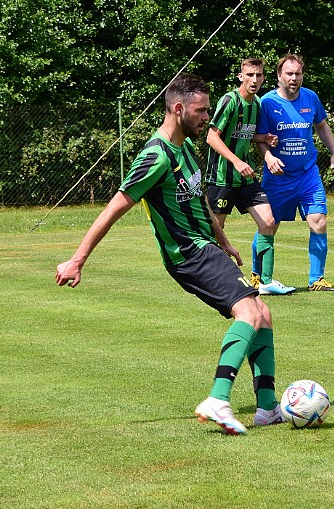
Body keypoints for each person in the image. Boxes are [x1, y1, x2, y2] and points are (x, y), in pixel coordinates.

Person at [55, 73, 284, 435]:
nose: (207, 117)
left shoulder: (185, 149)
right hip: (188, 254)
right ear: (178, 109)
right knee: (249, 312)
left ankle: (268, 408)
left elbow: (200, 202)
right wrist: (77, 259)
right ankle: (218, 399)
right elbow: (114, 208)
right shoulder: (155, 156)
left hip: (206, 247)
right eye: (201, 110)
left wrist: (223, 240)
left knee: (263, 312)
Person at [252, 53, 334, 291]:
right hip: (279, 177)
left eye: (298, 74)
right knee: (268, 226)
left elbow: (321, 126)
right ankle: (257, 275)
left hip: (308, 175)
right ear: (279, 76)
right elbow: (259, 138)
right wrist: (268, 156)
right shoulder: (267, 103)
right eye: (289, 74)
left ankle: (316, 279)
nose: (294, 78)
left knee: (319, 222)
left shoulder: (311, 98)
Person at [205, 58, 295, 295]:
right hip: (222, 178)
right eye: (250, 75)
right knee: (217, 230)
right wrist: (236, 161)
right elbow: (212, 137)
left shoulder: (256, 104)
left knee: (268, 221)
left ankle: (265, 281)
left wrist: (263, 139)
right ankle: (212, 280)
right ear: (240, 77)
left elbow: (246, 134)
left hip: (245, 179)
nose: (255, 80)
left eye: (259, 75)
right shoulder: (229, 101)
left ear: (264, 78)